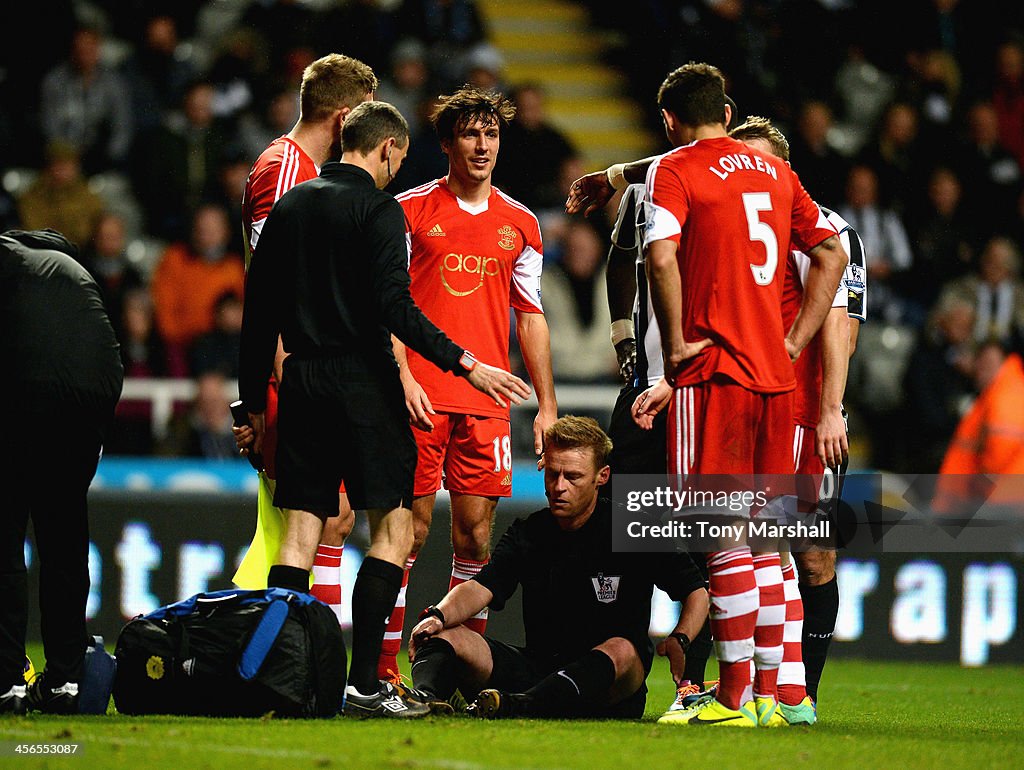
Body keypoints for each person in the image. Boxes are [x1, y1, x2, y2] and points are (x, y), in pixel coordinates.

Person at [237, 101, 530, 718]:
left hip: (304, 381)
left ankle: (289, 679)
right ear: (389, 150)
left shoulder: (290, 205)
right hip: (366, 383)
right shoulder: (378, 211)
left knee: (300, 536)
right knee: (394, 529)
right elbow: (396, 309)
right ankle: (366, 681)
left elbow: (258, 313)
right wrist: (466, 363)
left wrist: (254, 406)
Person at [630, 64, 846, 727]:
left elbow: (661, 257)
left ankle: (728, 699)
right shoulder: (778, 175)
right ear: (725, 111)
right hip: (778, 382)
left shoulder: (675, 169)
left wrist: (674, 342)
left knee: (720, 535)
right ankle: (780, 695)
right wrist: (794, 339)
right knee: (765, 540)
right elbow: (831, 256)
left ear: (670, 119)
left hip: (716, 372)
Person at [383, 86, 558, 681]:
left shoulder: (522, 224)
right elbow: (391, 304)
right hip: (421, 396)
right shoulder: (408, 212)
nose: (483, 146)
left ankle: (459, 669)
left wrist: (547, 405)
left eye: (492, 134)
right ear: (447, 143)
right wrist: (403, 373)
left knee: (476, 538)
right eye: (471, 134)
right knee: (407, 532)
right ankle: (382, 672)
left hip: (487, 402)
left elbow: (530, 315)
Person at [406, 417, 708, 719]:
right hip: (537, 669)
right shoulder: (530, 531)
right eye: (553, 474)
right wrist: (437, 615)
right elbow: (480, 587)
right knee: (445, 636)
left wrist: (680, 637)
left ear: (601, 477)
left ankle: (522, 705)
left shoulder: (634, 527)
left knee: (623, 649)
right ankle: (424, 699)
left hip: (610, 686)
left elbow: (697, 592)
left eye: (573, 477)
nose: (559, 487)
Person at [729, 115, 866, 721]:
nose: (750, 175)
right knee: (739, 543)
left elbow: (842, 324)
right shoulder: (733, 224)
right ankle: (754, 689)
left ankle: (801, 692)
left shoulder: (829, 231)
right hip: (746, 405)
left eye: (760, 162)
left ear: (784, 168)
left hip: (807, 416)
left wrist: (830, 410)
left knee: (810, 554)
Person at [234, 53, 378, 626]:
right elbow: (271, 286)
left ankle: (291, 651)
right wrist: (283, 381)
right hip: (293, 371)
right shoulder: (285, 171)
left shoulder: (289, 166)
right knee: (315, 517)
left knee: (320, 519)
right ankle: (285, 649)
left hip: (302, 368)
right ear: (344, 118)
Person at [0, 229, 123, 714]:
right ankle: (66, 681)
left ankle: (6, 678)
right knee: (64, 537)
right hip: (93, 389)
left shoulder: (10, 259)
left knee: (6, 536)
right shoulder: (76, 275)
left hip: (27, 384)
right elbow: (106, 359)